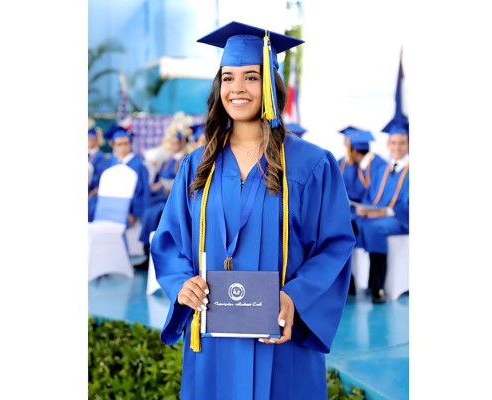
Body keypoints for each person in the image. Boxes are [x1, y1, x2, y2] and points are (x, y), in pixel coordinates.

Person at [150, 21, 355, 400]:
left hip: (279, 335)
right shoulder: (197, 165)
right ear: (218, 88)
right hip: (212, 336)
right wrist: (182, 285)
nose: (237, 88)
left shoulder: (312, 164)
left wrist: (296, 297)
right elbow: (168, 241)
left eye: (251, 77)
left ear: (271, 88)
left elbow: (336, 245)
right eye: (228, 78)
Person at [354, 117, 409, 303]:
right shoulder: (382, 170)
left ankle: (377, 286)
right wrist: (365, 209)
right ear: (388, 144)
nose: (397, 147)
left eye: (402, 143)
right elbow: (370, 197)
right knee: (351, 222)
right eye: (393, 142)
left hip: (402, 219)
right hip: (379, 216)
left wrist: (386, 212)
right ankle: (351, 282)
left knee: (374, 228)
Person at [337, 126, 387, 295]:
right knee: (337, 230)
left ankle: (372, 285)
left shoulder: (379, 165)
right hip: (352, 213)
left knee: (350, 231)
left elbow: (378, 195)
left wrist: (366, 208)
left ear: (354, 150)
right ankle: (346, 281)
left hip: (370, 214)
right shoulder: (345, 164)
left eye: (347, 147)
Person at [136, 131, 188, 270]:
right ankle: (146, 251)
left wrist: (165, 185)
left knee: (154, 213)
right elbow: (159, 178)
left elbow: (182, 181)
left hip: (172, 199)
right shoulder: (167, 160)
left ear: (182, 143)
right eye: (171, 143)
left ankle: (152, 254)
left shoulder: (185, 159)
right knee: (148, 210)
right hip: (160, 196)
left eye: (176, 143)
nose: (173, 146)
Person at [104, 125, 150, 227]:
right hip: (113, 208)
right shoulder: (114, 163)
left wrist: (134, 213)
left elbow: (143, 192)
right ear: (114, 146)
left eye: (126, 143)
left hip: (130, 213)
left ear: (130, 144)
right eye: (119, 144)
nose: (123, 147)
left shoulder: (138, 165)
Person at [88, 127, 111, 222]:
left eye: (93, 139)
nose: (90, 141)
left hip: (95, 192)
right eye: (88, 139)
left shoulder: (102, 157)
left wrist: (92, 192)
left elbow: (101, 177)